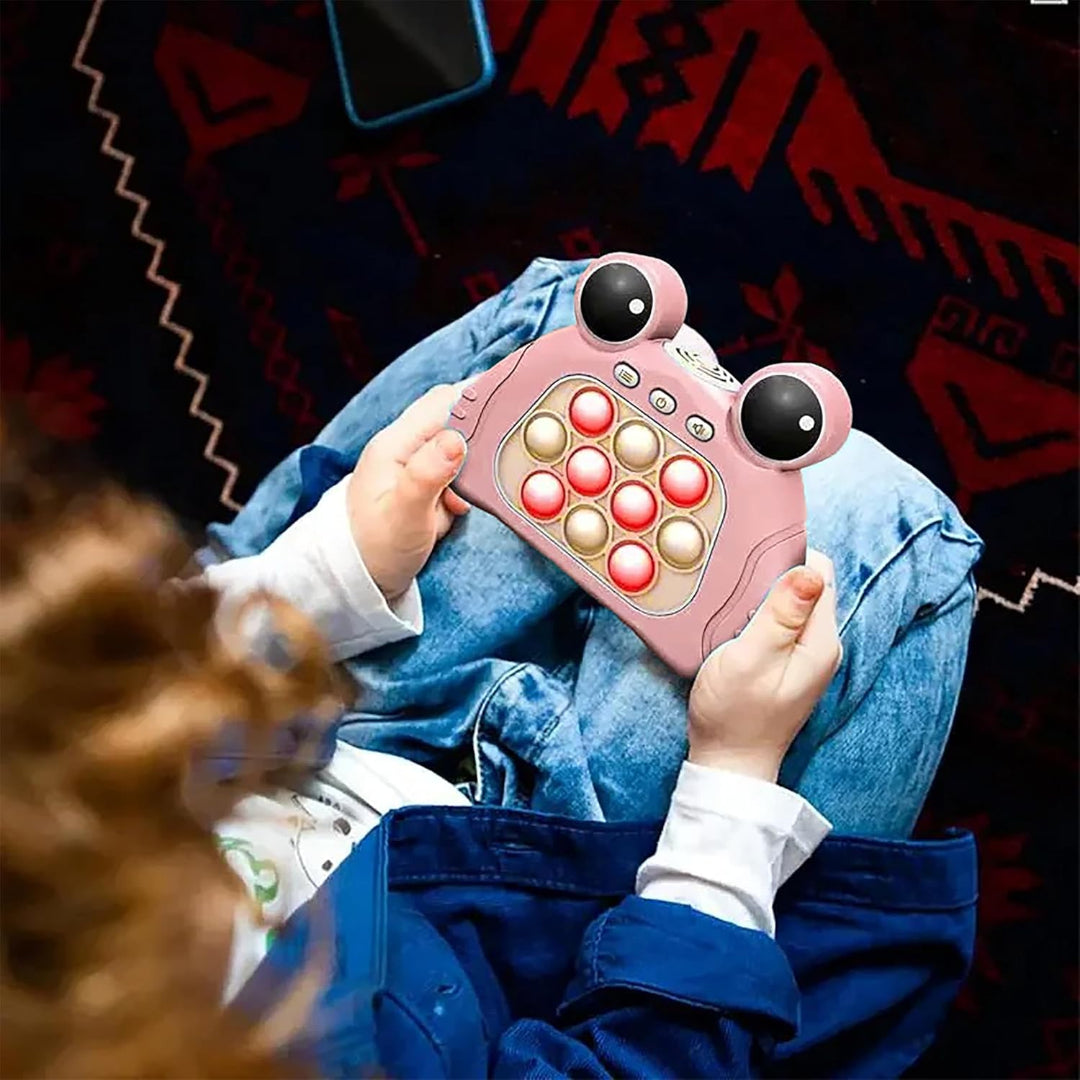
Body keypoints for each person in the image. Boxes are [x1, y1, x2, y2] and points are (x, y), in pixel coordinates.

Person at [1, 258, 981, 1077]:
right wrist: (732, 782)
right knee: (873, 523)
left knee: (578, 314)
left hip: (312, 729)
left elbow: (104, 686)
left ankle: (686, 420)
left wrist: (333, 568)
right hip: (537, 956)